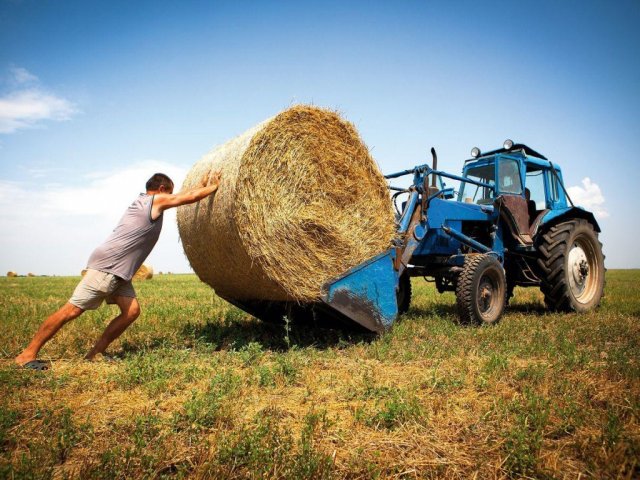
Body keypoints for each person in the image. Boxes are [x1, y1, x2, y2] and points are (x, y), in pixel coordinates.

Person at [14, 171, 221, 370]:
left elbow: (183, 195)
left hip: (120, 270)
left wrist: (201, 185)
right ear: (161, 189)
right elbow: (189, 198)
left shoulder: (144, 202)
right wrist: (214, 187)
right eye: (169, 193)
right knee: (72, 310)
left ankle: (95, 353)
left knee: (131, 311)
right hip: (109, 266)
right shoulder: (154, 201)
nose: (171, 198)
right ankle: (27, 355)